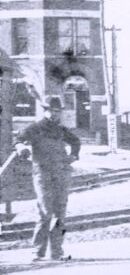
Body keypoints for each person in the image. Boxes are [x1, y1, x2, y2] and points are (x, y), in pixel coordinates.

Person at [15, 102, 81, 262]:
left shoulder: (60, 129)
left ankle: (57, 251)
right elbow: (18, 139)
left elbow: (75, 141)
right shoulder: (35, 127)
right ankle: (37, 252)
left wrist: (73, 155)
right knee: (45, 211)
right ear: (45, 111)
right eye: (52, 111)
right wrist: (21, 148)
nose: (56, 114)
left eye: (58, 111)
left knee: (60, 213)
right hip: (42, 173)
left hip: (61, 172)